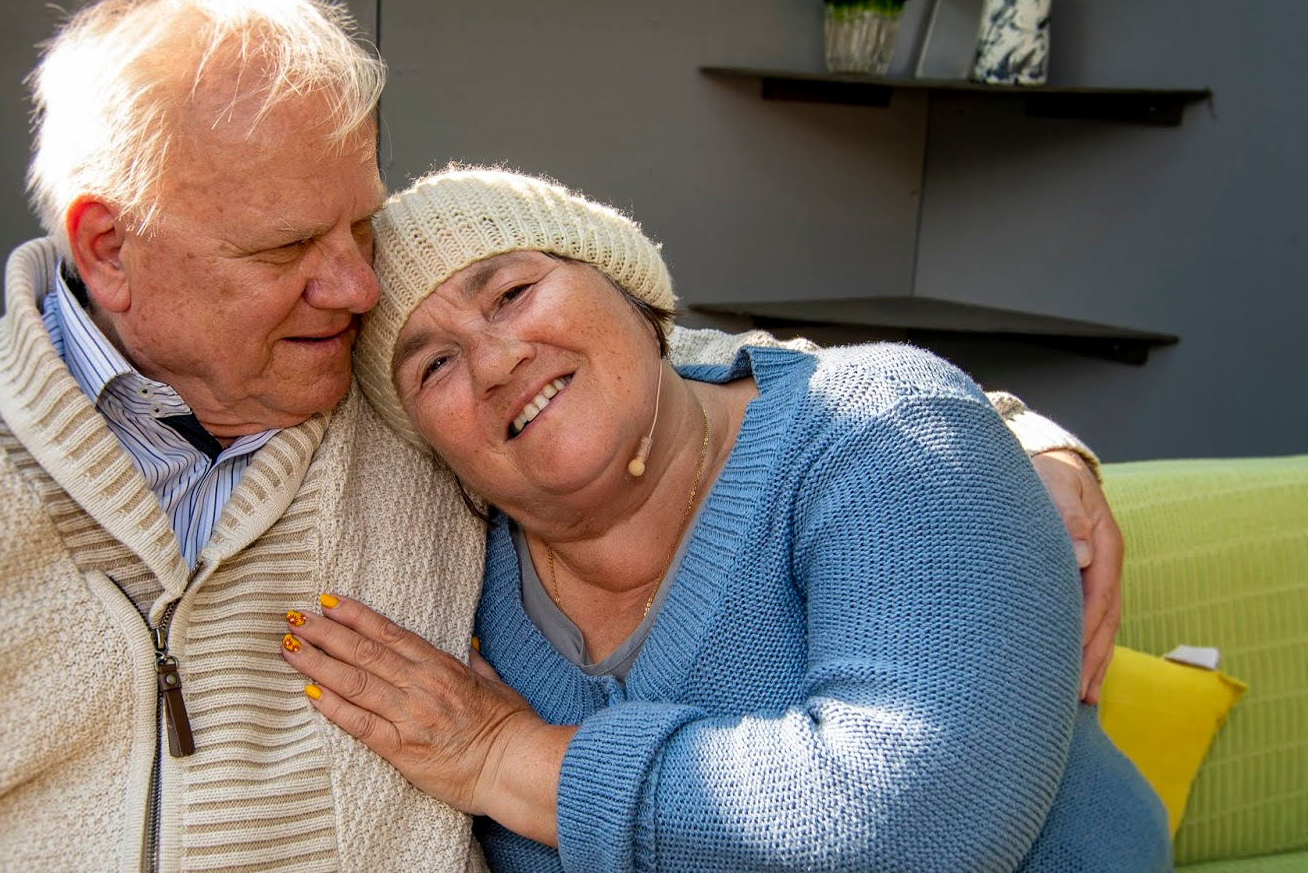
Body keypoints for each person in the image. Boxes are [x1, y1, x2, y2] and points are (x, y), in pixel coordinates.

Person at [0, 0, 1119, 871]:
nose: (354, 288)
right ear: (109, 246)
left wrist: (1012, 439)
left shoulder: (390, 405)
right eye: (288, 249)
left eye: (356, 224)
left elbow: (701, 377)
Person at [280, 167, 1171, 872]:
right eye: (431, 366)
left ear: (629, 291)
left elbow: (916, 823)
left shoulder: (877, 432)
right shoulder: (461, 590)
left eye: (511, 292)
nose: (496, 358)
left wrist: (511, 761)